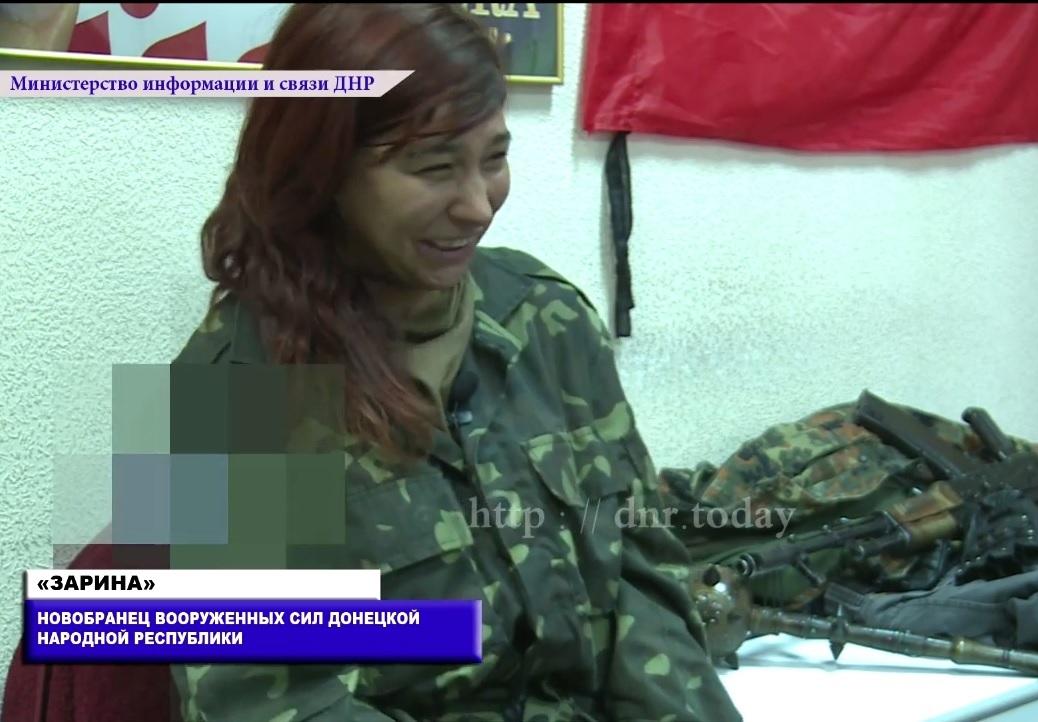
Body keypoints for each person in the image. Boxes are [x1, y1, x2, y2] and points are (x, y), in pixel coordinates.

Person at [169, 4, 743, 721]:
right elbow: (254, 700)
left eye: (494, 159)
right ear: (321, 173)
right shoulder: (221, 390)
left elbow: (642, 576)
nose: (478, 205)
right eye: (434, 167)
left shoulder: (547, 317)